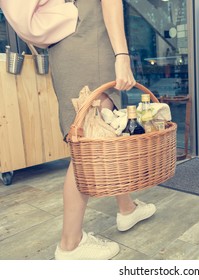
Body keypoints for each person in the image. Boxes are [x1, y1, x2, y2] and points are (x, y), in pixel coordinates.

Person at [3, 0, 156, 260]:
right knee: (91, 145)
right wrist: (122, 55)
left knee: (102, 135)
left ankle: (127, 208)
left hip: (68, 45)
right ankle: (70, 243)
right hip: (90, 40)